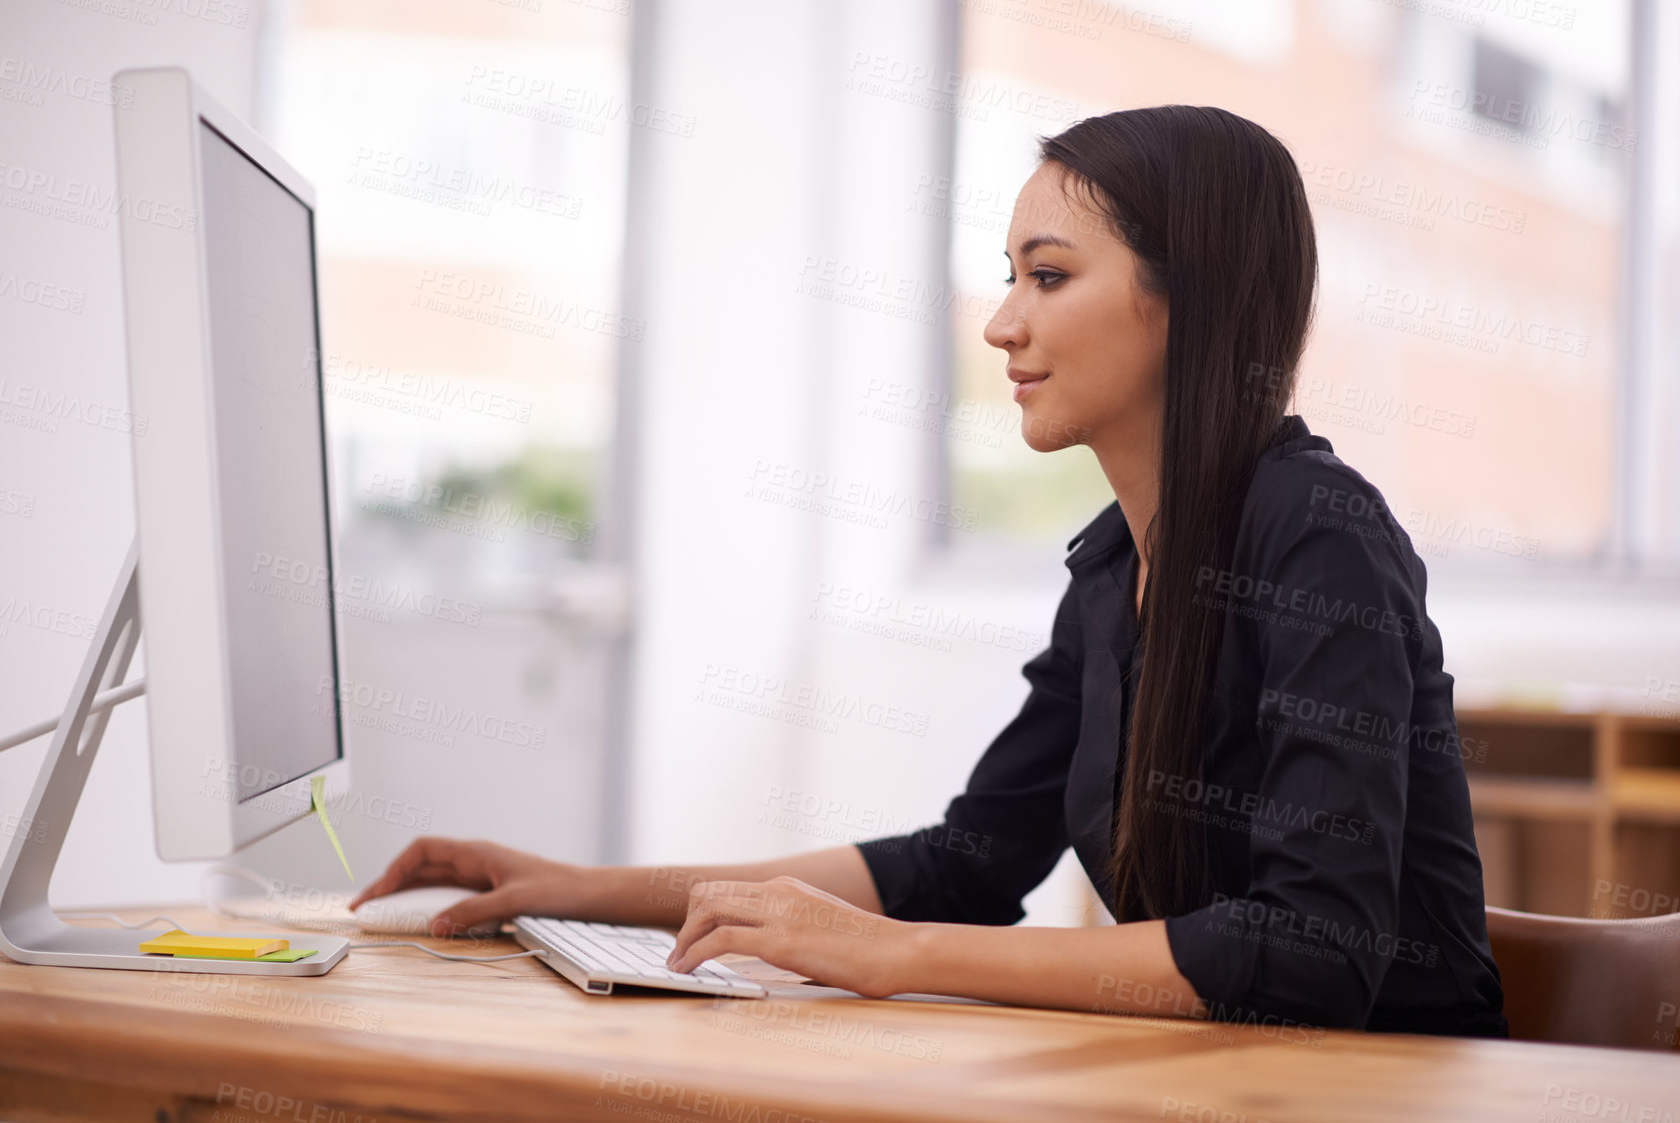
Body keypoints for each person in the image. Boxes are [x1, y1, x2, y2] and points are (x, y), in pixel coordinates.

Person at [349, 105, 1507, 1037]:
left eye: (1047, 277)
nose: (1001, 323)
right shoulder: (1116, 568)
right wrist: (584, 888)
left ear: (1184, 301)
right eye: (1009, 275)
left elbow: (1315, 952)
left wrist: (890, 957)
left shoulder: (1319, 533)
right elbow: (969, 860)